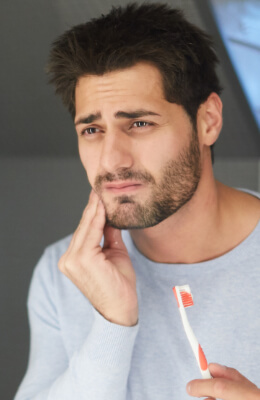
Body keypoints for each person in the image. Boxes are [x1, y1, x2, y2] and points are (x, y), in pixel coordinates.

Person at [14, 3, 260, 400]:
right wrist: (112, 324)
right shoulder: (63, 273)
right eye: (92, 129)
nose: (111, 160)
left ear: (208, 120)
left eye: (140, 123)